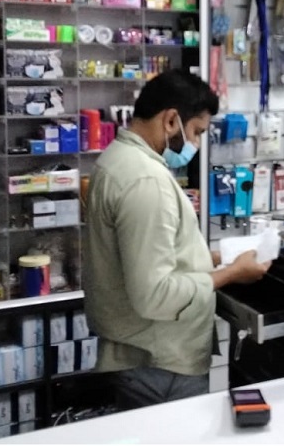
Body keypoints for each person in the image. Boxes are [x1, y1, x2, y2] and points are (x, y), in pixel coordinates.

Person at [84, 69, 271, 410]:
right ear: (171, 120)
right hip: (159, 364)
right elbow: (154, 296)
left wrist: (218, 257)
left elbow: (143, 255)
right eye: (196, 132)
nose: (196, 144)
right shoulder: (146, 181)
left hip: (139, 356)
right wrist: (231, 274)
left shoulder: (117, 159)